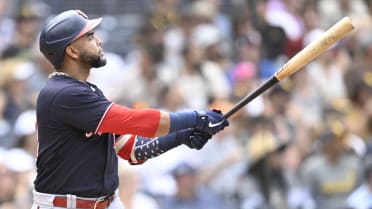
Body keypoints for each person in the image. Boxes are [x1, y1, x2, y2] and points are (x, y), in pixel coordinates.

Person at [32, 10, 229, 209]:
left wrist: (182, 136)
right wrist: (196, 118)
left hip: (107, 203)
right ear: (72, 51)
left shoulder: (87, 91)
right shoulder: (63, 93)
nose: (99, 41)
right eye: (90, 37)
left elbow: (133, 150)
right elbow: (134, 121)